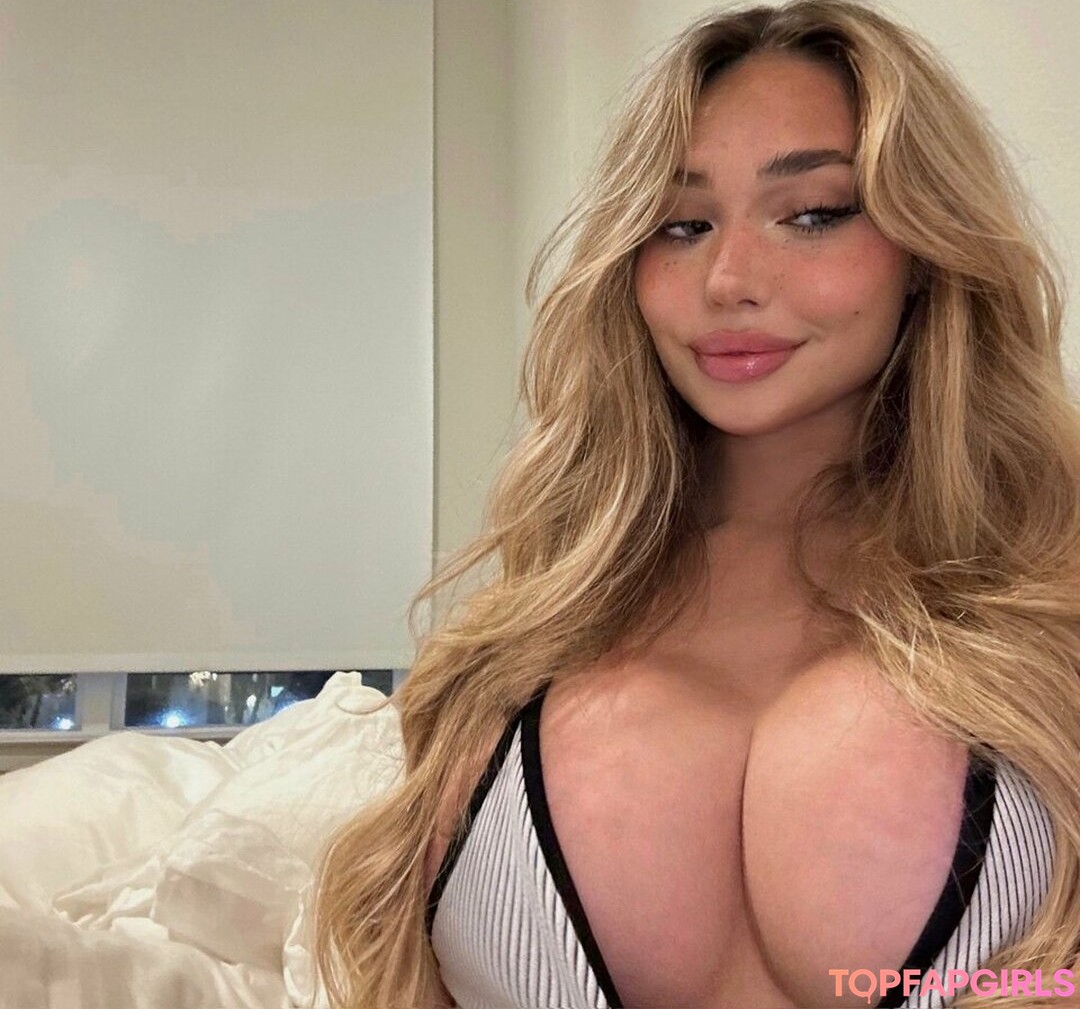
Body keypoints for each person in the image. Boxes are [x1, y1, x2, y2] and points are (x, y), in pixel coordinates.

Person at [314, 1, 1080, 1007]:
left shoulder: (1050, 609)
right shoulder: (527, 634)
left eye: (813, 213)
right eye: (681, 224)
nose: (728, 279)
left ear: (926, 250)